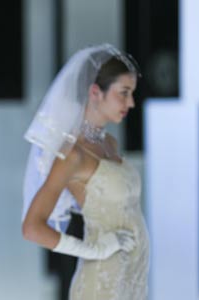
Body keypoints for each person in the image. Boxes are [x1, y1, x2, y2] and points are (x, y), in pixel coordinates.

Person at [22, 44, 149, 299]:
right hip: (102, 280)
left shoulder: (109, 144)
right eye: (124, 93)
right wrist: (93, 250)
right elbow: (32, 227)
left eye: (132, 93)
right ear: (95, 92)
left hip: (133, 276)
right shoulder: (73, 154)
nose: (131, 103)